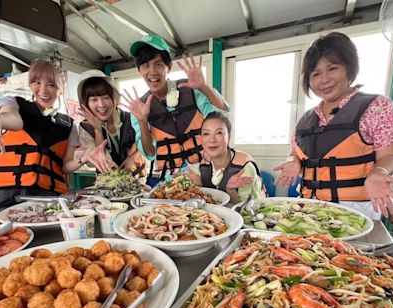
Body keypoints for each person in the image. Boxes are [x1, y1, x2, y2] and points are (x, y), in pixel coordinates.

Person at [274, 32, 393, 219]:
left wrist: (379, 173)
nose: (324, 79)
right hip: (308, 209)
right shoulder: (305, 119)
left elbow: (392, 155)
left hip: (357, 211)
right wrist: (292, 163)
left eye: (332, 68)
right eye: (316, 74)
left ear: (349, 69)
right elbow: (294, 154)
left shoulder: (377, 107)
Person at [0, 60, 108, 222]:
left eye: (51, 84)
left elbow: (65, 166)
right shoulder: (13, 103)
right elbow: (14, 120)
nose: (43, 90)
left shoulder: (68, 125)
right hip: (4, 193)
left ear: (60, 89)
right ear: (30, 85)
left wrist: (84, 158)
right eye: (36, 82)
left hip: (45, 196)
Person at [121, 35, 228, 182]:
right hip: (170, 180)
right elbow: (150, 154)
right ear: (140, 70)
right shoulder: (139, 108)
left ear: (169, 67)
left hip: (206, 173)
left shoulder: (190, 89)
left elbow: (222, 115)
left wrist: (203, 87)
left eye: (158, 64)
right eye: (146, 65)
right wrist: (142, 120)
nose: (152, 71)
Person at [71, 70, 146, 177]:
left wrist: (133, 158)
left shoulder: (131, 118)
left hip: (139, 181)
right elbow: (99, 160)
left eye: (105, 97)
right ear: (86, 103)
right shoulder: (86, 128)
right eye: (94, 99)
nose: (101, 105)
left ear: (114, 98)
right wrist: (97, 129)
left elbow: (145, 143)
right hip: (106, 186)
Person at [185, 111, 265, 204]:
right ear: (201, 138)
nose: (212, 140)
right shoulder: (203, 163)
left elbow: (245, 209)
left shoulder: (245, 168)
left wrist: (231, 191)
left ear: (229, 136)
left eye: (219, 133)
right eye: (206, 134)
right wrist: (200, 185)